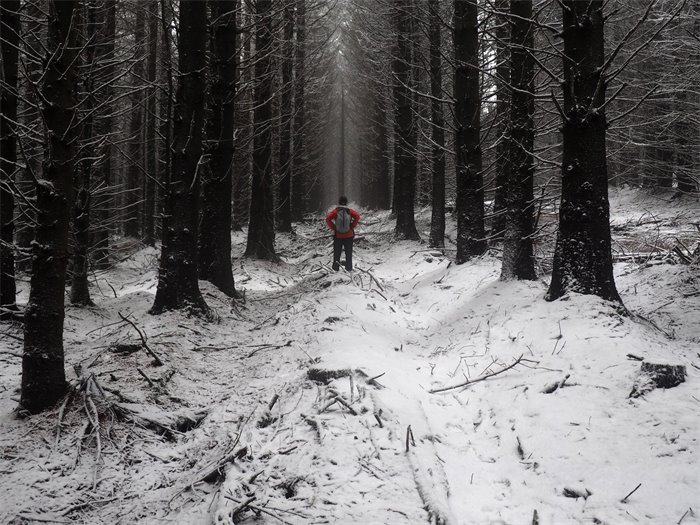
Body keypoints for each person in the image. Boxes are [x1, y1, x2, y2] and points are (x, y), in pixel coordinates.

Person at [325, 196, 360, 271]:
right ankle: (349, 269)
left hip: (338, 236)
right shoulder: (349, 211)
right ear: (346, 202)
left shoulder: (336, 211)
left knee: (337, 253)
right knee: (348, 253)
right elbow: (357, 216)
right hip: (349, 235)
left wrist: (334, 227)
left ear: (339, 202)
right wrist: (352, 226)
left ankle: (335, 269)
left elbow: (328, 218)